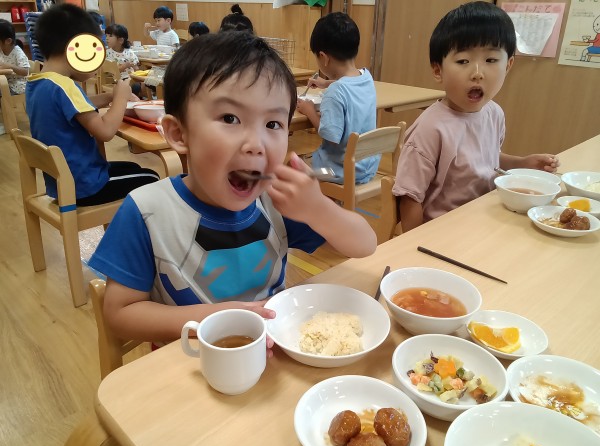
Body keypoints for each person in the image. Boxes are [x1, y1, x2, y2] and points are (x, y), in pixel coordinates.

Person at [88, 32, 377, 347]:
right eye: (230, 118)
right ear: (179, 133)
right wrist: (217, 318)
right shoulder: (147, 212)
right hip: (188, 360)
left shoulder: (275, 201)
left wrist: (317, 208)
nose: (256, 144)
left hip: (270, 353)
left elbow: (364, 244)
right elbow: (119, 314)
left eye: (273, 124)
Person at [392, 1, 560, 232]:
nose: (477, 73)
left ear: (508, 65)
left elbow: (487, 160)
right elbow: (410, 197)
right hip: (444, 231)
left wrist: (522, 163)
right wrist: (415, 243)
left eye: (491, 60)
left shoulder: (494, 113)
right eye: (463, 61)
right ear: (438, 70)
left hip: (486, 219)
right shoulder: (430, 129)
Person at [26, 4, 159, 206]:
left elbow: (77, 107)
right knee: (152, 178)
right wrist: (120, 98)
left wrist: (110, 96)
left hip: (63, 182)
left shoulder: (39, 83)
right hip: (84, 185)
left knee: (132, 169)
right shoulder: (65, 87)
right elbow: (105, 132)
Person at [296, 12, 378, 185]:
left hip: (339, 171)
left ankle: (318, 201)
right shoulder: (366, 78)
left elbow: (331, 137)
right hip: (367, 166)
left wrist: (310, 111)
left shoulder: (335, 93)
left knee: (293, 165)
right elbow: (349, 85)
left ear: (324, 58)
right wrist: (326, 83)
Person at [0, 19, 29, 95]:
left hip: (18, 87)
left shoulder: (17, 52)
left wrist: (10, 66)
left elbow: (25, 71)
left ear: (8, 41)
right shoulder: (1, 50)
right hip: (5, 83)